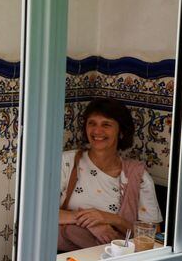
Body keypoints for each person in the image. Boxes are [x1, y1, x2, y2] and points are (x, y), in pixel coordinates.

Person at [58, 97, 163, 252]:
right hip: (64, 256)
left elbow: (153, 236)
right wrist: (93, 223)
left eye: (106, 124)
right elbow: (40, 213)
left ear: (121, 132)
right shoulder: (67, 162)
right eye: (92, 123)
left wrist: (111, 219)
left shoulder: (137, 177)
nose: (97, 131)